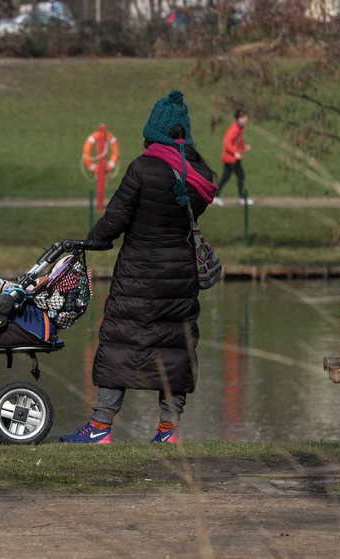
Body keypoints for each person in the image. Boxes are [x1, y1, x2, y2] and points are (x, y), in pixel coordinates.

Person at [60, 90, 217, 445]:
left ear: (153, 131)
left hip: (138, 275)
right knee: (176, 349)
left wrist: (90, 241)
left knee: (121, 343)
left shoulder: (143, 167)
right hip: (180, 277)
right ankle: (168, 431)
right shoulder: (199, 175)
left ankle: (100, 426)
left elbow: (116, 218)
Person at [216, 109, 252, 206]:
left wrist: (244, 147)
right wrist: (235, 152)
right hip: (230, 159)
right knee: (237, 176)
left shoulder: (239, 128)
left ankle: (215, 196)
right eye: (244, 117)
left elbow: (237, 143)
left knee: (231, 177)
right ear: (239, 119)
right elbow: (226, 142)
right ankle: (240, 198)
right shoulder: (234, 129)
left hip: (234, 158)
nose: (246, 119)